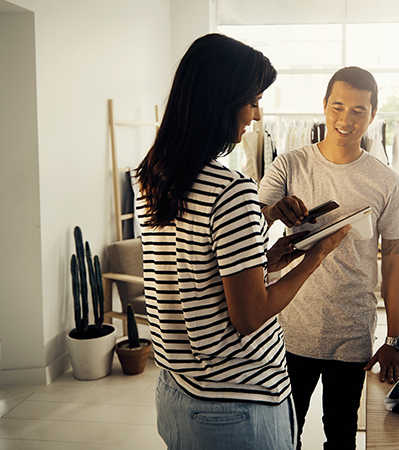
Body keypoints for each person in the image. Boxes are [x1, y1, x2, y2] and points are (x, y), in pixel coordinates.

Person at [134, 33, 349, 450]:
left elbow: (194, 271)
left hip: (178, 390)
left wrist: (266, 253)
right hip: (237, 402)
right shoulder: (232, 190)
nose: (256, 113)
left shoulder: (152, 177)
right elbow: (250, 316)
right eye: (251, 100)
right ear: (220, 100)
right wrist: (316, 256)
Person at [259, 66, 399, 450]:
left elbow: (393, 259)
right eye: (338, 106)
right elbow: (249, 220)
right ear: (324, 106)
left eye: (359, 110)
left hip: (352, 331)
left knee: (341, 435)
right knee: (284, 432)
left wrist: (395, 337)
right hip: (292, 327)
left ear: (373, 115)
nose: (346, 119)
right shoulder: (289, 165)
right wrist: (278, 211)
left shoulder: (387, 182)